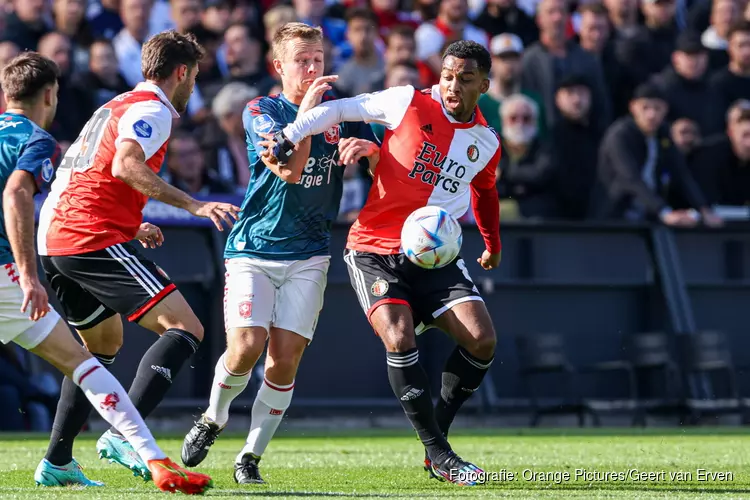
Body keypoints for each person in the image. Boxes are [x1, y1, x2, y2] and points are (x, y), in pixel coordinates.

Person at [265, 40, 501, 486]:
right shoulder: (407, 100)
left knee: (483, 340)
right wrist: (291, 134)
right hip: (375, 248)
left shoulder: (485, 142)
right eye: (448, 76)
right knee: (398, 336)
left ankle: (437, 434)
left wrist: (492, 244)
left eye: (465, 79)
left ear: (484, 85)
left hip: (435, 256)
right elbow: (338, 110)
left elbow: (485, 193)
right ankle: (440, 453)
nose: (453, 86)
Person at [0, 51, 212, 494]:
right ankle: (126, 437)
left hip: (57, 234)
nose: (194, 84)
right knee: (185, 327)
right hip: (82, 239)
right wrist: (193, 204)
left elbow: (79, 177)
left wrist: (132, 223)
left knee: (100, 345)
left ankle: (58, 460)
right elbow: (123, 166)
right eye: (194, 74)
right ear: (181, 72)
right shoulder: (153, 109)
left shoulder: (112, 105)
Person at [180, 22, 381, 485]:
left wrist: (369, 150)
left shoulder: (343, 111)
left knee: (285, 358)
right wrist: (309, 112)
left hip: (310, 252)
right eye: (301, 61)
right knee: (247, 346)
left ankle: (250, 456)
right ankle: (212, 417)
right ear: (279, 66)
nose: (312, 69)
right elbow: (289, 169)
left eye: (318, 60)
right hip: (254, 247)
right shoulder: (262, 110)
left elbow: (385, 160)